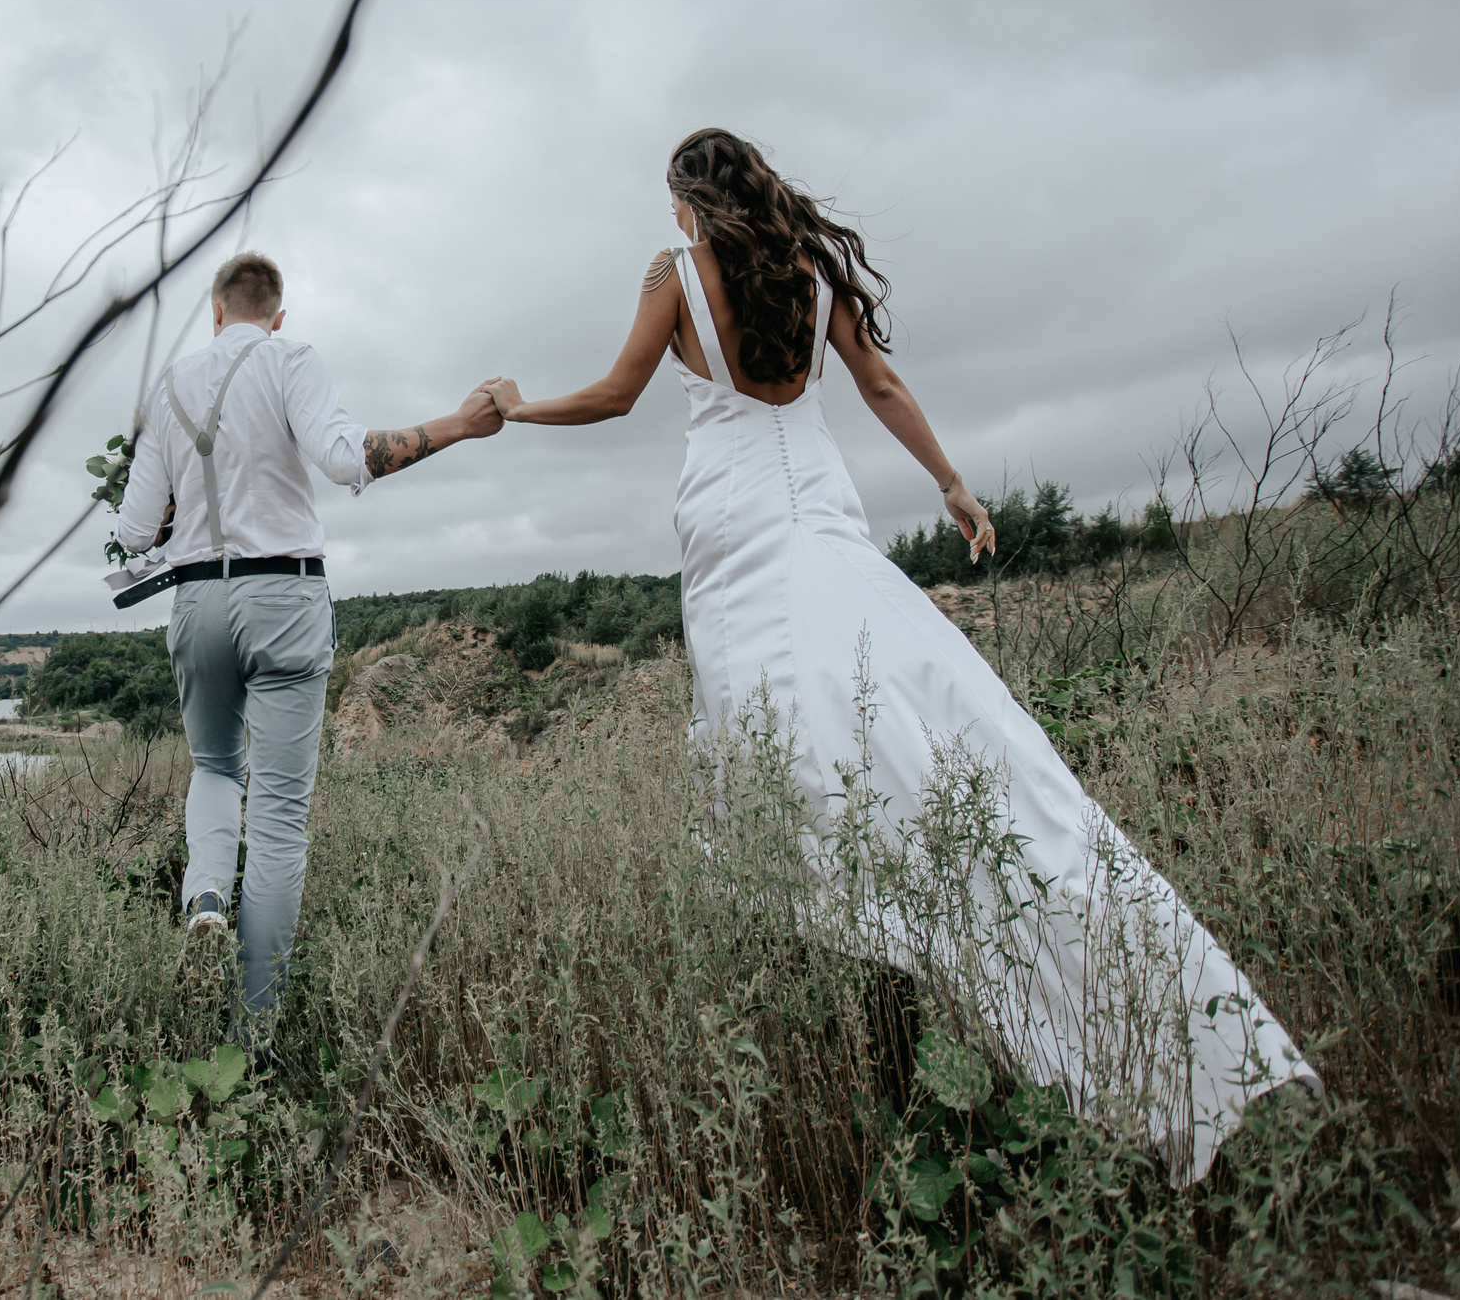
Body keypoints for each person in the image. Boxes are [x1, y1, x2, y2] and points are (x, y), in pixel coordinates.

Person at [477, 129, 1314, 1183]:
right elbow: (879, 388)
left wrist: (516, 408)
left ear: (690, 199)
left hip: (732, 526)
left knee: (781, 736)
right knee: (902, 694)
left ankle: (850, 939)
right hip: (821, 505)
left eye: (674, 200)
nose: (677, 219)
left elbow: (612, 396)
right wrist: (951, 483)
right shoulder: (812, 269)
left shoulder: (674, 274)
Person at [114, 251, 502, 1045]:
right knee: (283, 819)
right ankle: (253, 1039)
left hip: (197, 602)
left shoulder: (171, 384)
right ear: (277, 314)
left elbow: (129, 531)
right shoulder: (293, 359)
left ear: (216, 311)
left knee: (217, 768)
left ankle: (208, 895)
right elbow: (345, 457)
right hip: (284, 596)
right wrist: (460, 424)